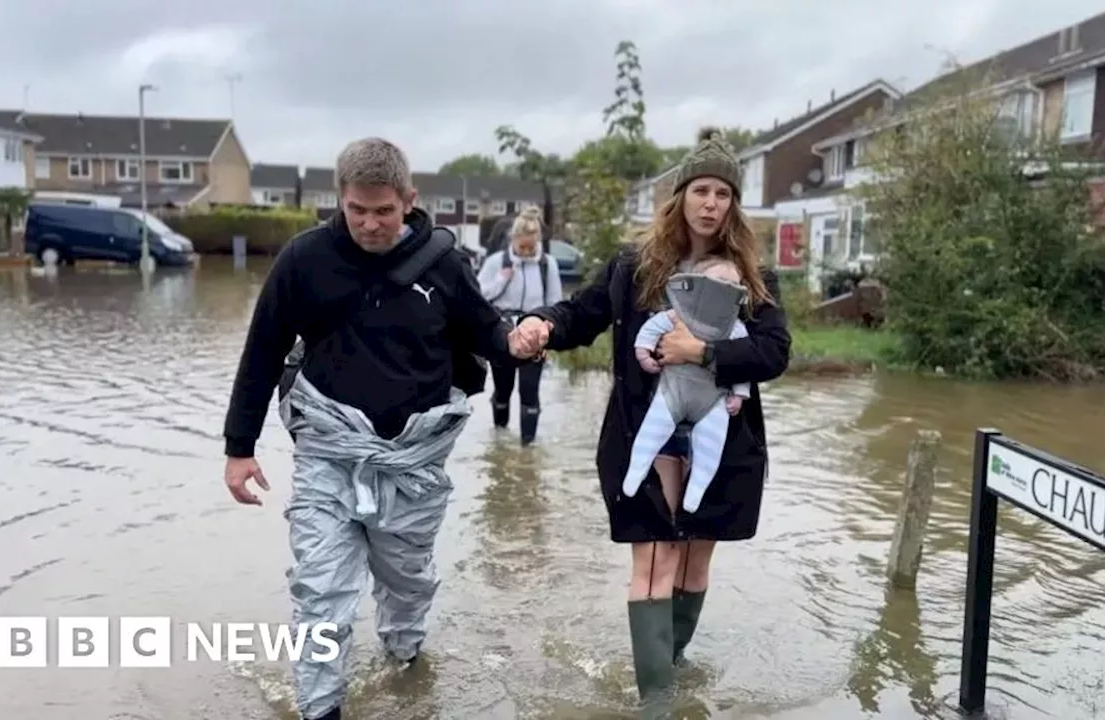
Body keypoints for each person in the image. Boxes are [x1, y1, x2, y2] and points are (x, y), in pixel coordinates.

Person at [221, 137, 527, 720]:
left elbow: (489, 334)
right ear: (340, 199)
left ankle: (406, 665)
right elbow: (262, 351)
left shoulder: (443, 264)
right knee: (319, 591)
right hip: (327, 453)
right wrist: (240, 448)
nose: (368, 224)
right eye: (356, 210)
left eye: (383, 211)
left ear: (409, 200)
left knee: (406, 587)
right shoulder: (303, 260)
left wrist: (522, 338)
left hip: (413, 463)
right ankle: (320, 708)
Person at [507, 128, 791, 711]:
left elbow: (775, 352)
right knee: (656, 556)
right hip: (644, 431)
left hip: (722, 437)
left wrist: (706, 354)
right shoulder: (634, 266)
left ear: (733, 204)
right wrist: (541, 325)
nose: (711, 204)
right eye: (701, 191)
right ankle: (657, 702)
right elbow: (581, 313)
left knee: (696, 557)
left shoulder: (750, 275)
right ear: (680, 196)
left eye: (723, 194)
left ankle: (674, 660)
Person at [625, 256, 752, 514]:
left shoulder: (735, 328)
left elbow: (742, 363)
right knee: (651, 432)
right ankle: (634, 472)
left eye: (731, 285)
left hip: (713, 400)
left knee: (711, 446)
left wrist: (739, 394)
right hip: (673, 391)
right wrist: (643, 353)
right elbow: (651, 329)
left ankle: (696, 490)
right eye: (718, 282)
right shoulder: (677, 315)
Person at [475, 205, 563, 444]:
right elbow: (480, 297)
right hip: (503, 332)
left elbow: (555, 305)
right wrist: (501, 280)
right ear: (512, 239)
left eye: (530, 247)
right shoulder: (496, 262)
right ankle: (500, 443)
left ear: (538, 242)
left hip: (534, 333)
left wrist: (550, 338)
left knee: (529, 392)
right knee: (503, 390)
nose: (525, 252)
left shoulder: (548, 265)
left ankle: (527, 450)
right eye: (521, 246)